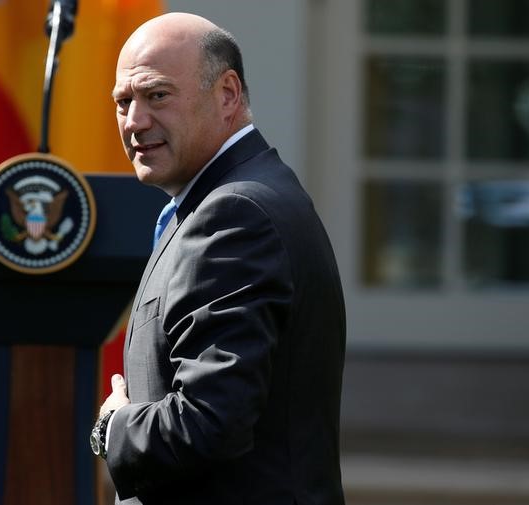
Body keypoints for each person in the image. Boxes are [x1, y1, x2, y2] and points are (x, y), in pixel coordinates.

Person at [91, 12, 346, 505]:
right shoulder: (236, 198)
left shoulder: (234, 215)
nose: (134, 121)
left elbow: (210, 421)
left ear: (228, 95)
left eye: (157, 95)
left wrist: (113, 427)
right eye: (124, 101)